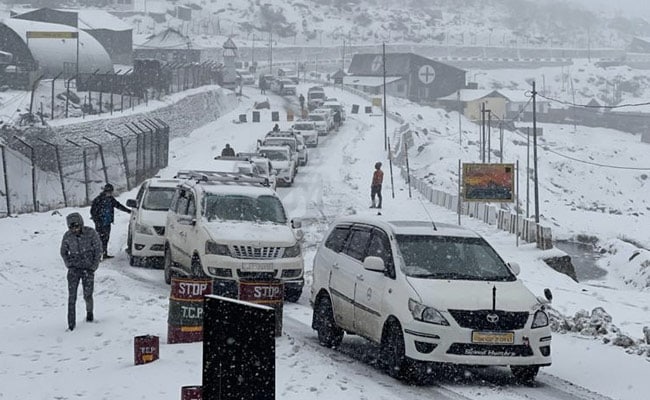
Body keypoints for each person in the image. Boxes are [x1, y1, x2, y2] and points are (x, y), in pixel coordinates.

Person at [60, 212, 103, 331]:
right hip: (74, 270)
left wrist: (94, 266)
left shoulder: (91, 233)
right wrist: (69, 264)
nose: (74, 229)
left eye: (76, 226)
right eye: (71, 227)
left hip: (88, 269)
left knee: (88, 295)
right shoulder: (67, 236)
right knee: (72, 297)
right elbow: (63, 252)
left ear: (81, 224)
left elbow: (98, 249)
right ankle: (71, 323)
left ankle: (89, 314)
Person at [90, 183, 131, 259]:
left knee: (106, 238)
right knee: (99, 239)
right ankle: (97, 255)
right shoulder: (98, 199)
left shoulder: (111, 199)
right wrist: (96, 220)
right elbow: (93, 211)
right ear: (105, 191)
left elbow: (118, 205)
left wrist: (128, 211)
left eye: (111, 192)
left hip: (107, 222)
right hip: (100, 223)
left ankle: (104, 253)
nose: (110, 193)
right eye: (109, 192)